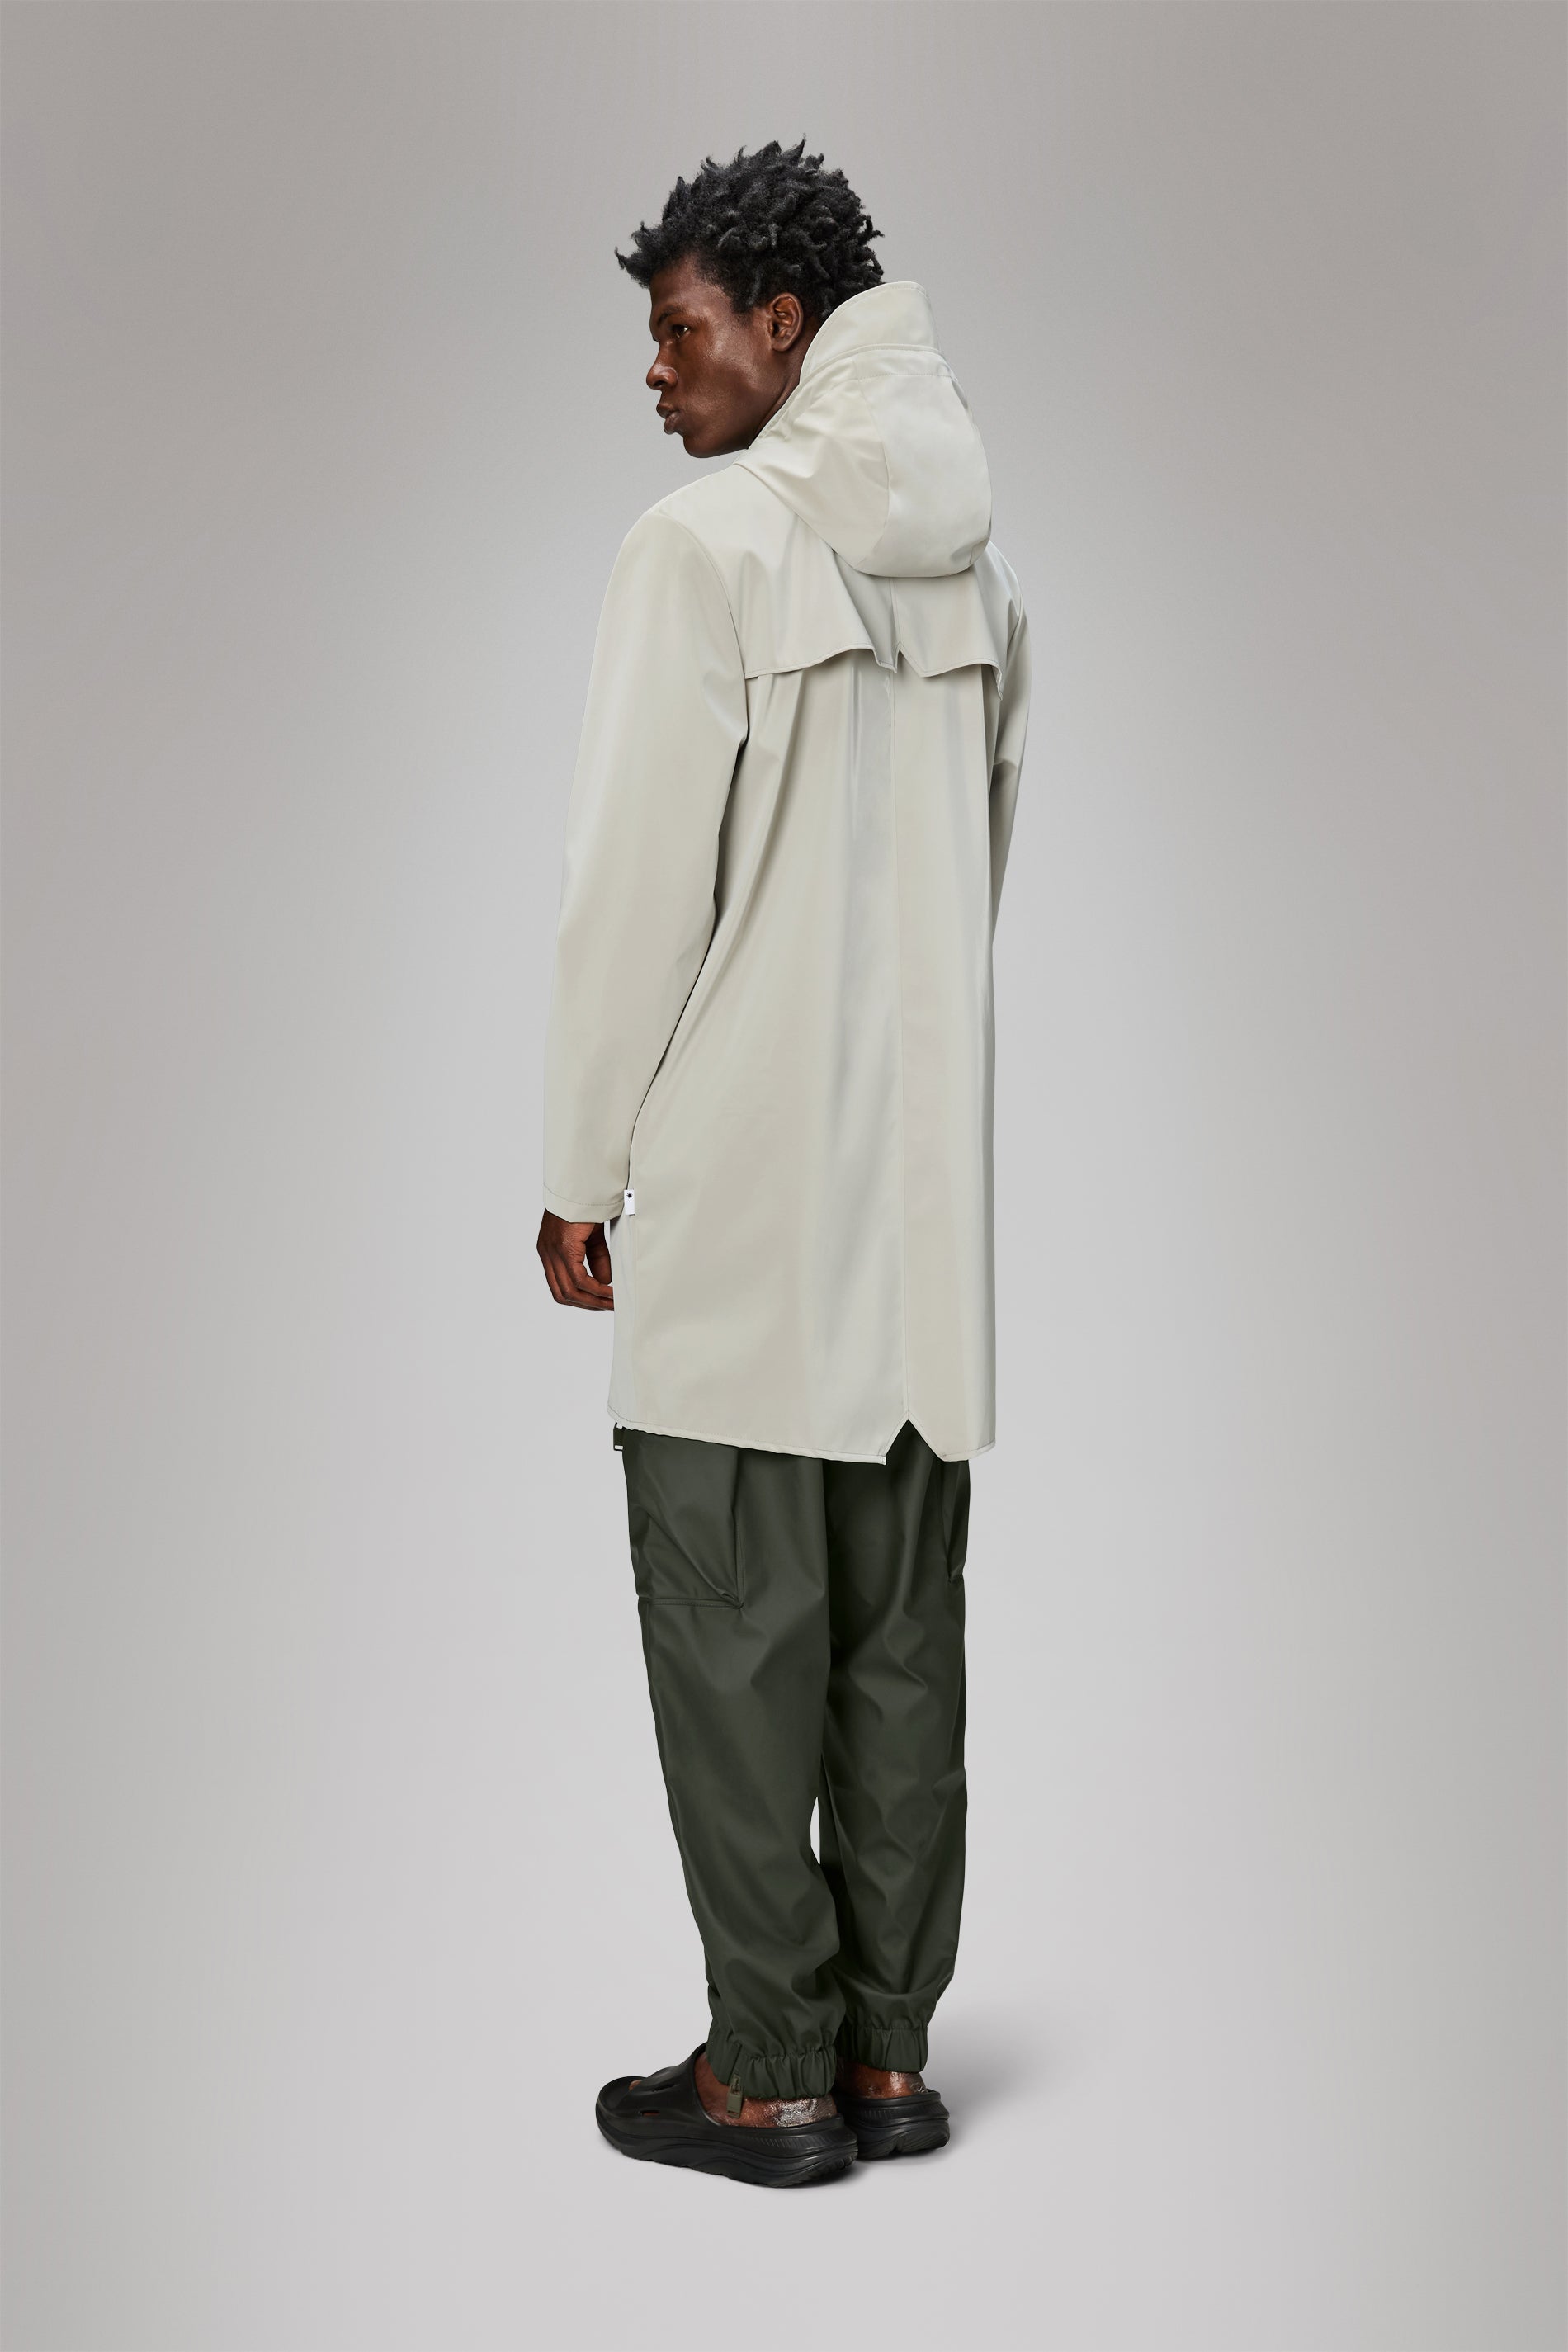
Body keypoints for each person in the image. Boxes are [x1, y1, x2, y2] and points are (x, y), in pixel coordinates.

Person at [538, 139, 1031, 2189]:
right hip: (922, 1220)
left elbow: (630, 900)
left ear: (782, 322)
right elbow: (981, 863)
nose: (656, 373)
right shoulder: (975, 570)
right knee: (897, 1640)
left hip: (743, 1201)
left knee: (736, 1632)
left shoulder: (703, 548)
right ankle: (891, 2057)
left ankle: (769, 2073)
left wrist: (582, 1164)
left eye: (680, 331)